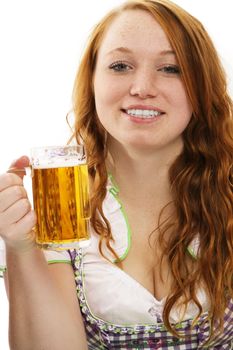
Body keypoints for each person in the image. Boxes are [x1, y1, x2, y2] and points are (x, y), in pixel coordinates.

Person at [0, 0, 233, 348]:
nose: (142, 87)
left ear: (202, 87)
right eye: (120, 65)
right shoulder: (57, 208)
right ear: (92, 81)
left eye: (171, 68)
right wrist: (21, 249)